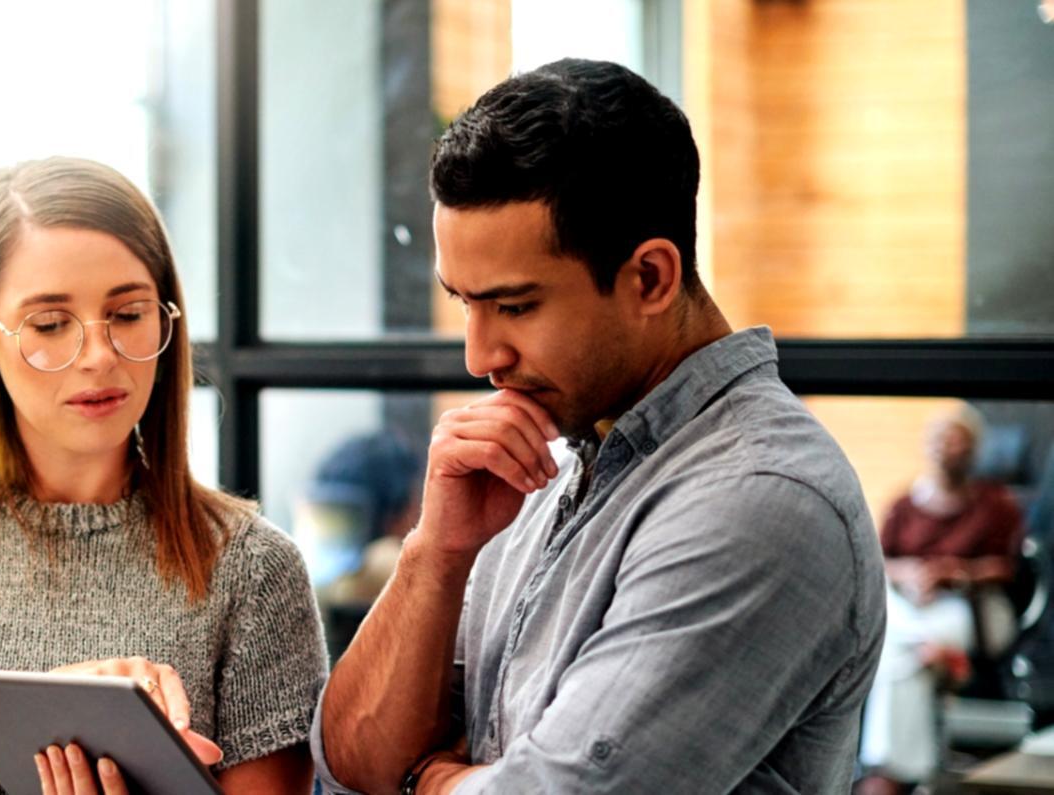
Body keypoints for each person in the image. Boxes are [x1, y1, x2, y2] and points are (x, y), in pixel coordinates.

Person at [311, 59, 886, 793]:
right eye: (462, 300)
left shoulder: (762, 499)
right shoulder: (554, 456)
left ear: (649, 278)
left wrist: (423, 777)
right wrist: (436, 553)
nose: (479, 355)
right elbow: (350, 766)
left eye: (514, 306)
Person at [0, 156, 326, 795]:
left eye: (129, 314)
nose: (100, 355)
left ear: (166, 320)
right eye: (51, 325)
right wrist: (64, 702)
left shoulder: (253, 566)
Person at [859, 405, 1027, 793]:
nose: (947, 448)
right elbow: (880, 561)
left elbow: (1011, 567)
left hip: (964, 604)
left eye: (957, 440)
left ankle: (886, 776)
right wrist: (913, 574)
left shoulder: (994, 505)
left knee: (896, 656)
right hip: (911, 605)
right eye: (940, 439)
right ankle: (916, 773)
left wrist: (957, 572)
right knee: (907, 650)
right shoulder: (905, 504)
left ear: (974, 449)